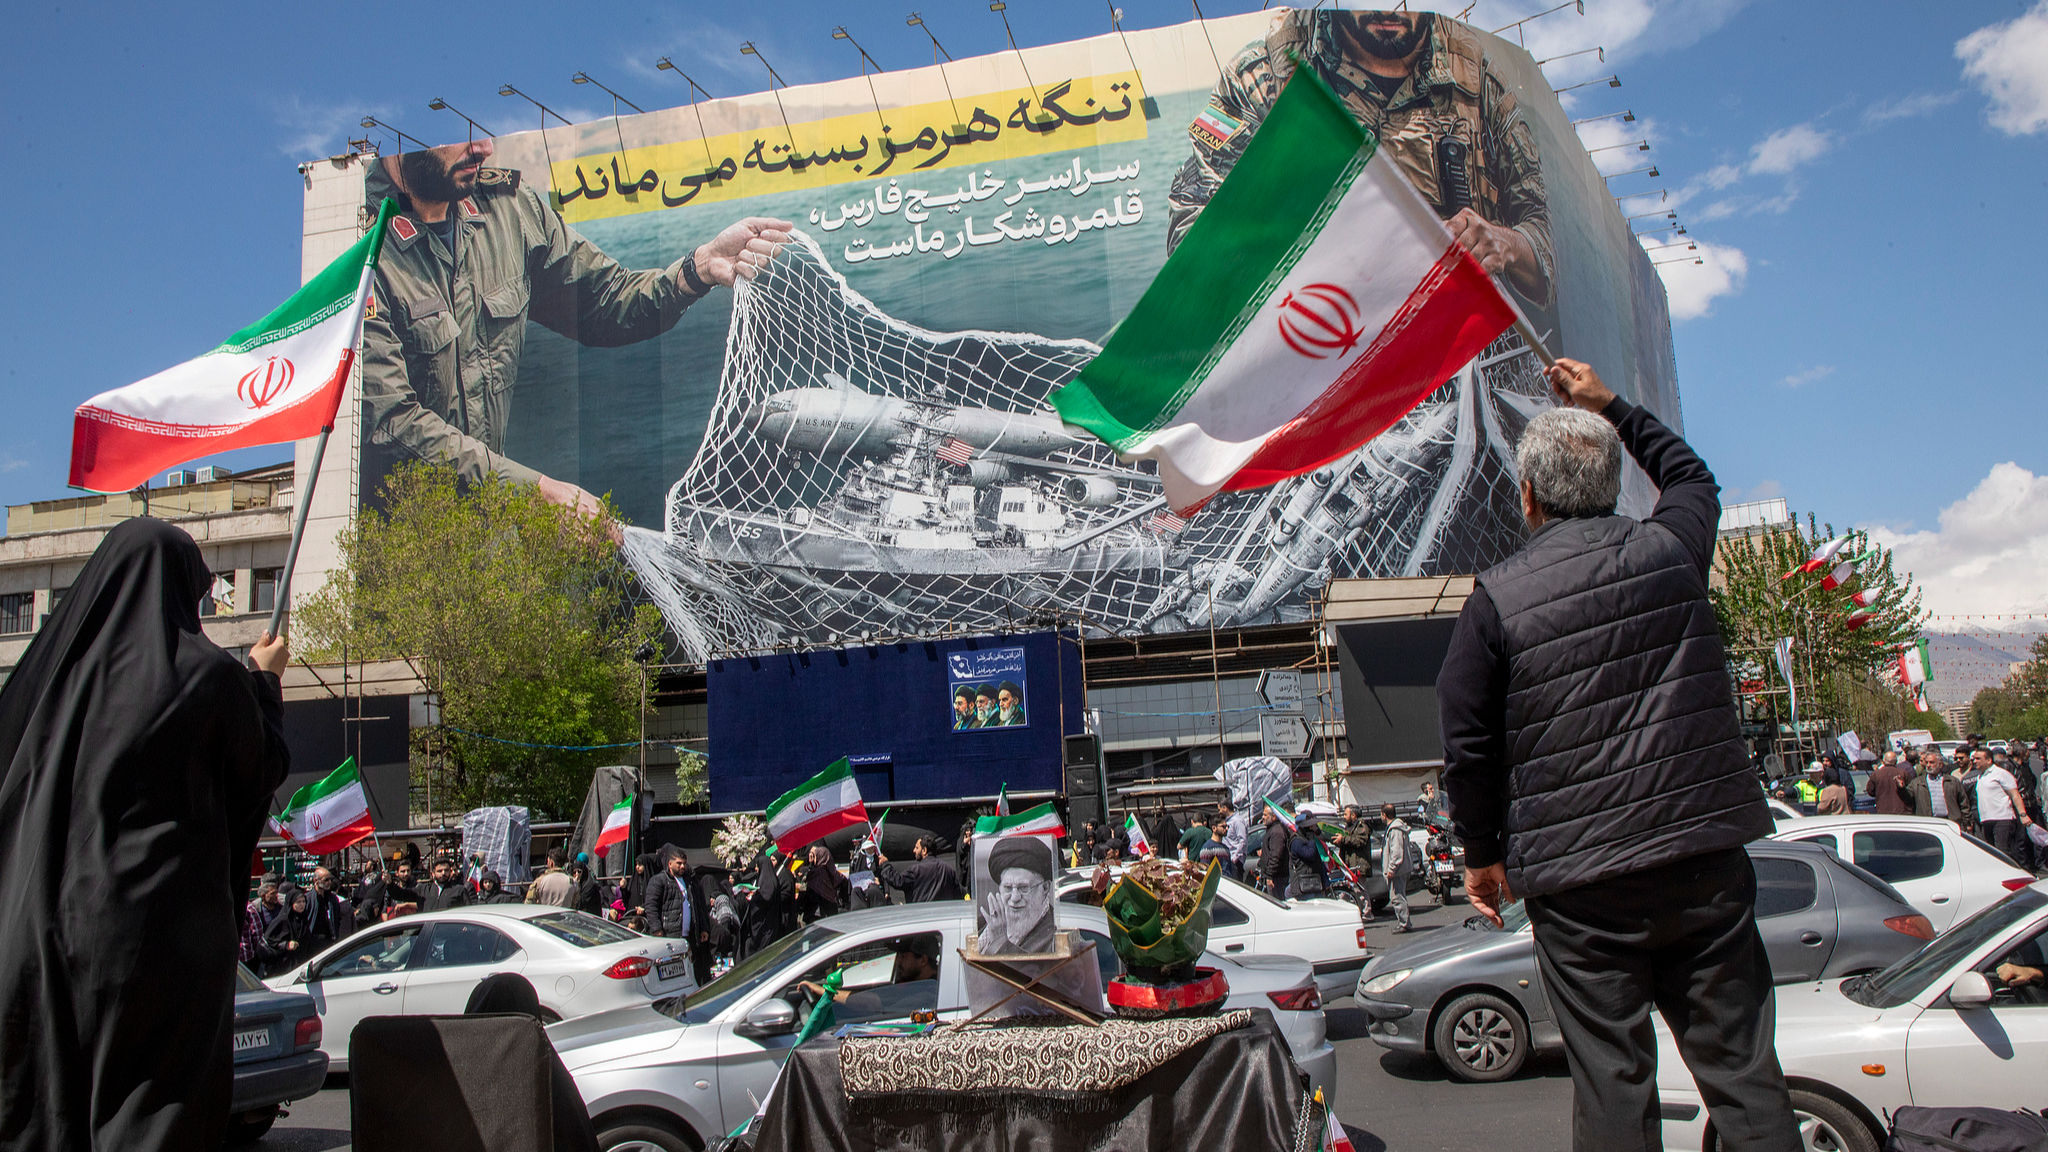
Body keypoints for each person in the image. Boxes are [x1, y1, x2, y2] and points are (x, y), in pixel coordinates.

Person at [1439, 360, 1797, 1152]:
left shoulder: (1495, 599)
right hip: (1702, 861)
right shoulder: (1673, 549)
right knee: (1743, 1077)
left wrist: (1481, 855)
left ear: (1526, 498)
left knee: (1613, 1083)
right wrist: (1612, 406)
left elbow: (1467, 745)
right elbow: (1691, 475)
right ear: (1611, 484)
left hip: (1579, 888)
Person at [0, 518, 291, 1150]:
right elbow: (259, 768)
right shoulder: (205, 675)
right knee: (149, 1114)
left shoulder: (55, 680)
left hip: (40, 935)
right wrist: (265, 681)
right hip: (155, 944)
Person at [359, 134, 792, 517]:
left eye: (483, 129)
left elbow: (602, 300)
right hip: (406, 562)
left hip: (494, 545)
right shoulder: (355, 244)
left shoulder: (509, 210)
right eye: (459, 135)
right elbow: (393, 423)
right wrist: (535, 492)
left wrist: (697, 269)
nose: (484, 148)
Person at [977, 836, 1057, 955]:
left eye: (1023, 888)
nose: (1014, 898)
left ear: (1045, 888)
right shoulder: (986, 925)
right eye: (1008, 888)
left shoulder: (1055, 940)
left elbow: (1031, 972)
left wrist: (1000, 942)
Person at [1973, 747, 2032, 863]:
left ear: (1989, 760)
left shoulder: (2001, 774)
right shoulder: (1981, 776)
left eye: (1978, 759)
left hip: (2002, 819)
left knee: (2002, 853)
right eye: (1974, 759)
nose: (1975, 761)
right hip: (1986, 820)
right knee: (1992, 854)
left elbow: (2015, 795)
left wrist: (2023, 814)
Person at [877, 836, 963, 904]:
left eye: (916, 848)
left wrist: (885, 865)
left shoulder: (916, 870)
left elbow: (897, 881)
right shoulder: (948, 869)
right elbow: (958, 893)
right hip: (943, 918)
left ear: (924, 850)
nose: (914, 850)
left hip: (921, 918)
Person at [644, 849, 698, 944]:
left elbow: (697, 905)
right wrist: (656, 928)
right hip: (669, 935)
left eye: (684, 863)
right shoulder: (659, 880)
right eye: (679, 863)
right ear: (670, 864)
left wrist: (703, 928)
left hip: (688, 935)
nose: (682, 866)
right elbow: (651, 906)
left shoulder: (689, 881)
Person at [261, 891, 315, 976]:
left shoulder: (303, 918)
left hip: (300, 961)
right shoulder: (283, 919)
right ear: (291, 903)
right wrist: (286, 945)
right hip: (283, 965)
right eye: (298, 902)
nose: (302, 904)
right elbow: (269, 939)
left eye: (303, 901)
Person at [1380, 804, 1416, 933]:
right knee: (1399, 896)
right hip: (1401, 869)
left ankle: (1404, 923)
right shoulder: (1396, 827)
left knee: (1397, 896)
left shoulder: (1395, 830)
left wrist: (1391, 868)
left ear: (1384, 814)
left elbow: (1396, 852)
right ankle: (1404, 922)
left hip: (1398, 871)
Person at [305, 867, 353, 952]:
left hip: (328, 940)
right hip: (312, 942)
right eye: (326, 880)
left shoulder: (332, 899)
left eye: (330, 879)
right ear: (316, 880)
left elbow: (337, 919)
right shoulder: (308, 899)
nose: (329, 882)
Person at [1911, 751, 1965, 824]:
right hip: (1928, 822)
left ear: (1940, 764)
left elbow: (1963, 802)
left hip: (1949, 822)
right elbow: (1908, 798)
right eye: (1926, 762)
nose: (1928, 765)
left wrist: (1967, 822)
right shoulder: (1917, 783)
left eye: (1932, 762)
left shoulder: (1952, 781)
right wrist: (1901, 788)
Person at [800, 844, 848, 924]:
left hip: (815, 914)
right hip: (830, 911)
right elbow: (842, 880)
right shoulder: (830, 870)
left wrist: (811, 863)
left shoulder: (817, 872)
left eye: (815, 856)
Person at [1256, 806, 1289, 898]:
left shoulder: (1277, 831)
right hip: (1273, 877)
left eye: (1265, 815)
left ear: (1274, 817)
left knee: (1278, 903)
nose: (1263, 817)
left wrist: (1270, 875)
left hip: (1277, 878)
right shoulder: (1272, 829)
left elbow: (1276, 855)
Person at [1870, 751, 1913, 816]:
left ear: (1883, 761)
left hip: (1883, 810)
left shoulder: (1876, 774)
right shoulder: (1903, 773)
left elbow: (1870, 791)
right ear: (1896, 761)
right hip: (1901, 811)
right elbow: (1911, 791)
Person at [1219, 800, 1250, 881]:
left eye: (1220, 809)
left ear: (1225, 808)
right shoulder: (1227, 821)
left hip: (1235, 861)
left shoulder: (1237, 821)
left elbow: (1243, 840)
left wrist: (1235, 857)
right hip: (1227, 859)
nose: (1219, 812)